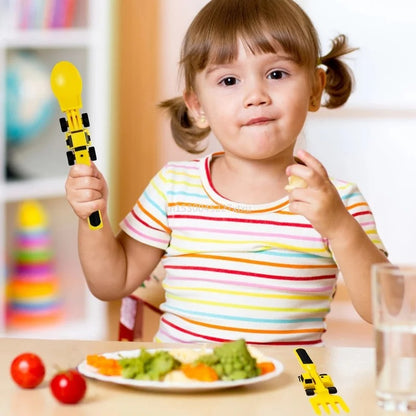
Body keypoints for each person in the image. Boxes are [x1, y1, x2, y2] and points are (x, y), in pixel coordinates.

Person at [66, 0, 388, 346]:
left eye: (276, 74)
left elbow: (384, 309)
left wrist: (339, 227)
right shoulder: (174, 188)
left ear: (314, 87)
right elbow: (111, 283)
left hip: (287, 390)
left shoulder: (337, 202)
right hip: (186, 381)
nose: (255, 96)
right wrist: (91, 217)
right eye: (229, 80)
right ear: (198, 106)